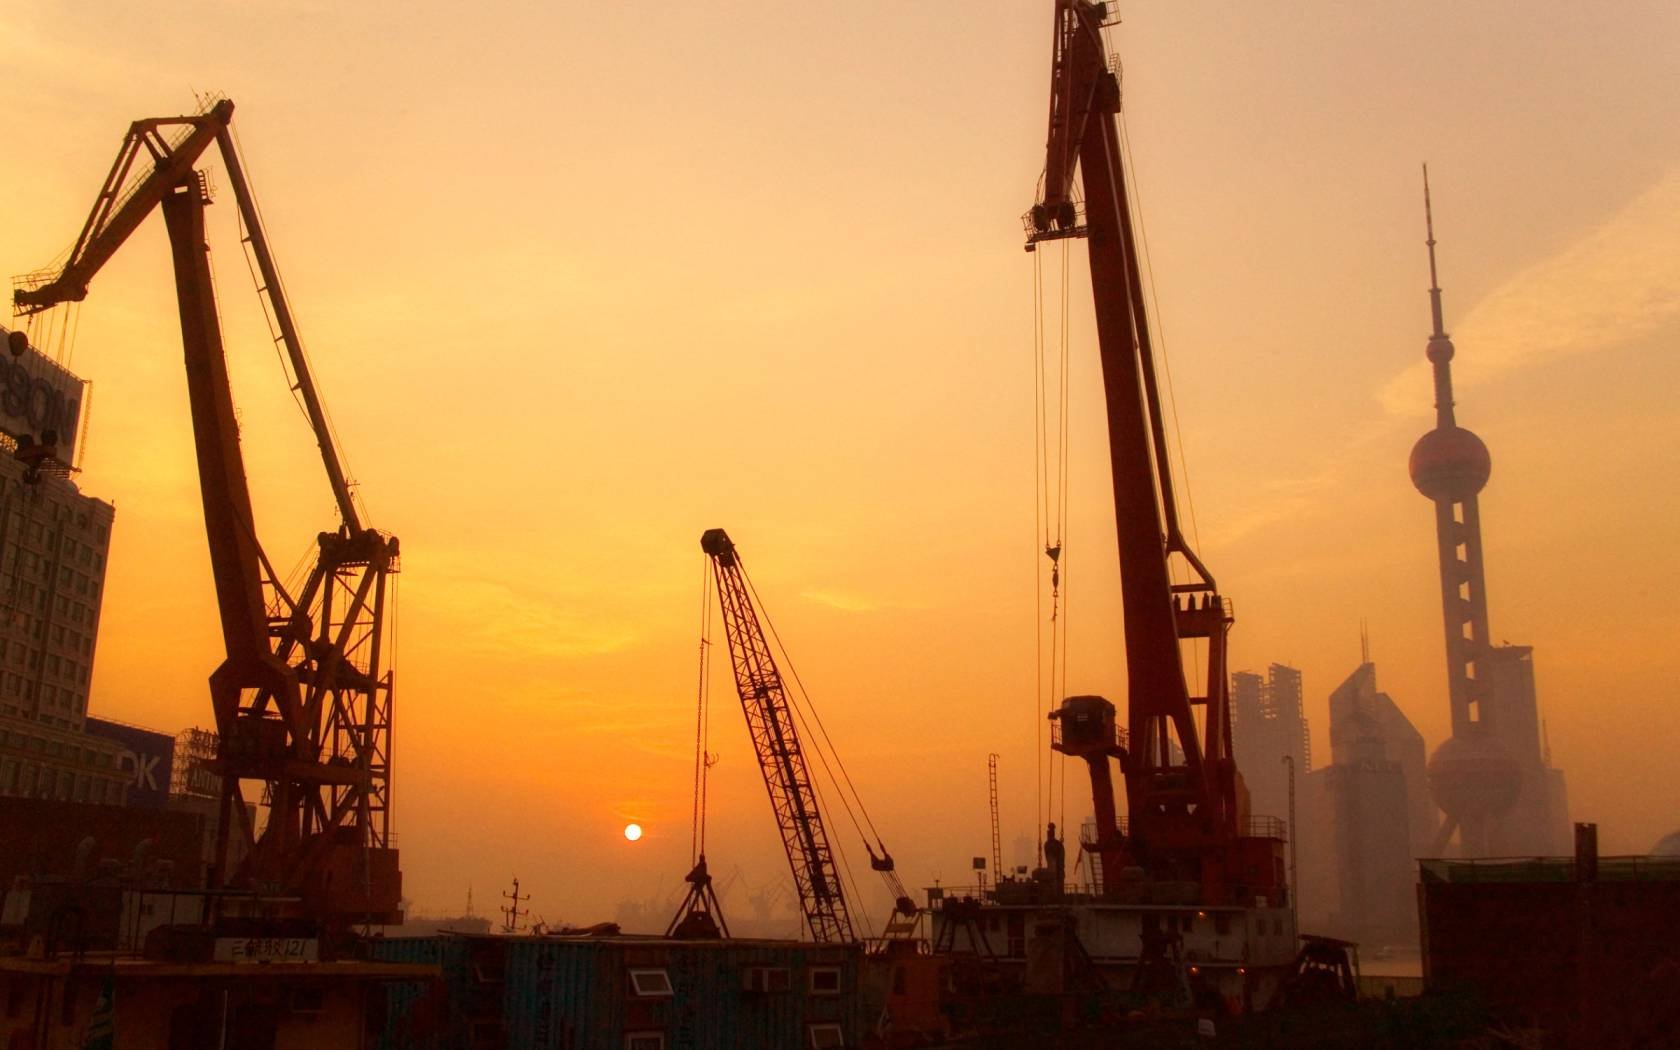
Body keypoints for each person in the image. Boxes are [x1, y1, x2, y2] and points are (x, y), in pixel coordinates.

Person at [1044, 822, 1066, 890]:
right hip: (1055, 872)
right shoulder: (1048, 844)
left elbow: (1061, 858)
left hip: (1058, 872)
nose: (1049, 833)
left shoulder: (1057, 845)